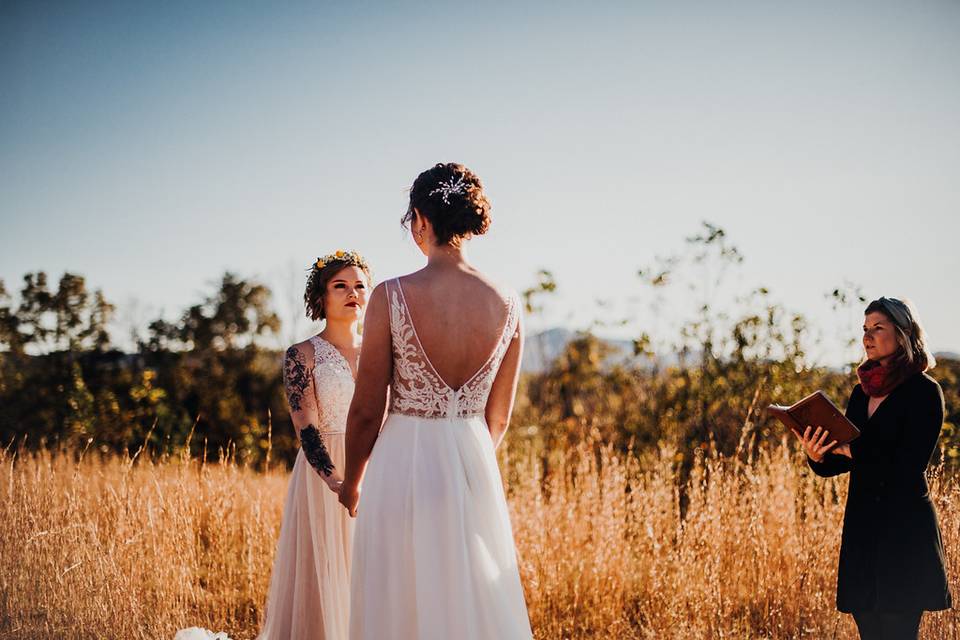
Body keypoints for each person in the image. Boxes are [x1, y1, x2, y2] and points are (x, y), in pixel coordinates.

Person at [340, 163, 533, 639]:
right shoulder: (507, 301)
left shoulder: (392, 295)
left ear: (421, 220)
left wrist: (352, 481)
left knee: (399, 597)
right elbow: (500, 415)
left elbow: (367, 408)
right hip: (472, 458)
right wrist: (466, 466)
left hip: (402, 462)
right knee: (468, 597)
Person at [797, 296, 951, 640]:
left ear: (903, 333)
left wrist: (852, 450)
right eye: (865, 329)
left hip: (904, 535)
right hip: (863, 535)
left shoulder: (925, 392)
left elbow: (908, 465)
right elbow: (842, 459)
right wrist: (818, 455)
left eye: (877, 328)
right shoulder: (860, 393)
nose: (867, 336)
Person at [256, 250, 371, 640]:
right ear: (321, 297)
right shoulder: (300, 355)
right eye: (341, 286)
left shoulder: (382, 351)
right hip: (326, 474)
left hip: (380, 466)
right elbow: (305, 425)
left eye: (359, 286)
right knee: (325, 574)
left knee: (373, 570)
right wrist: (337, 481)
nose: (352, 293)